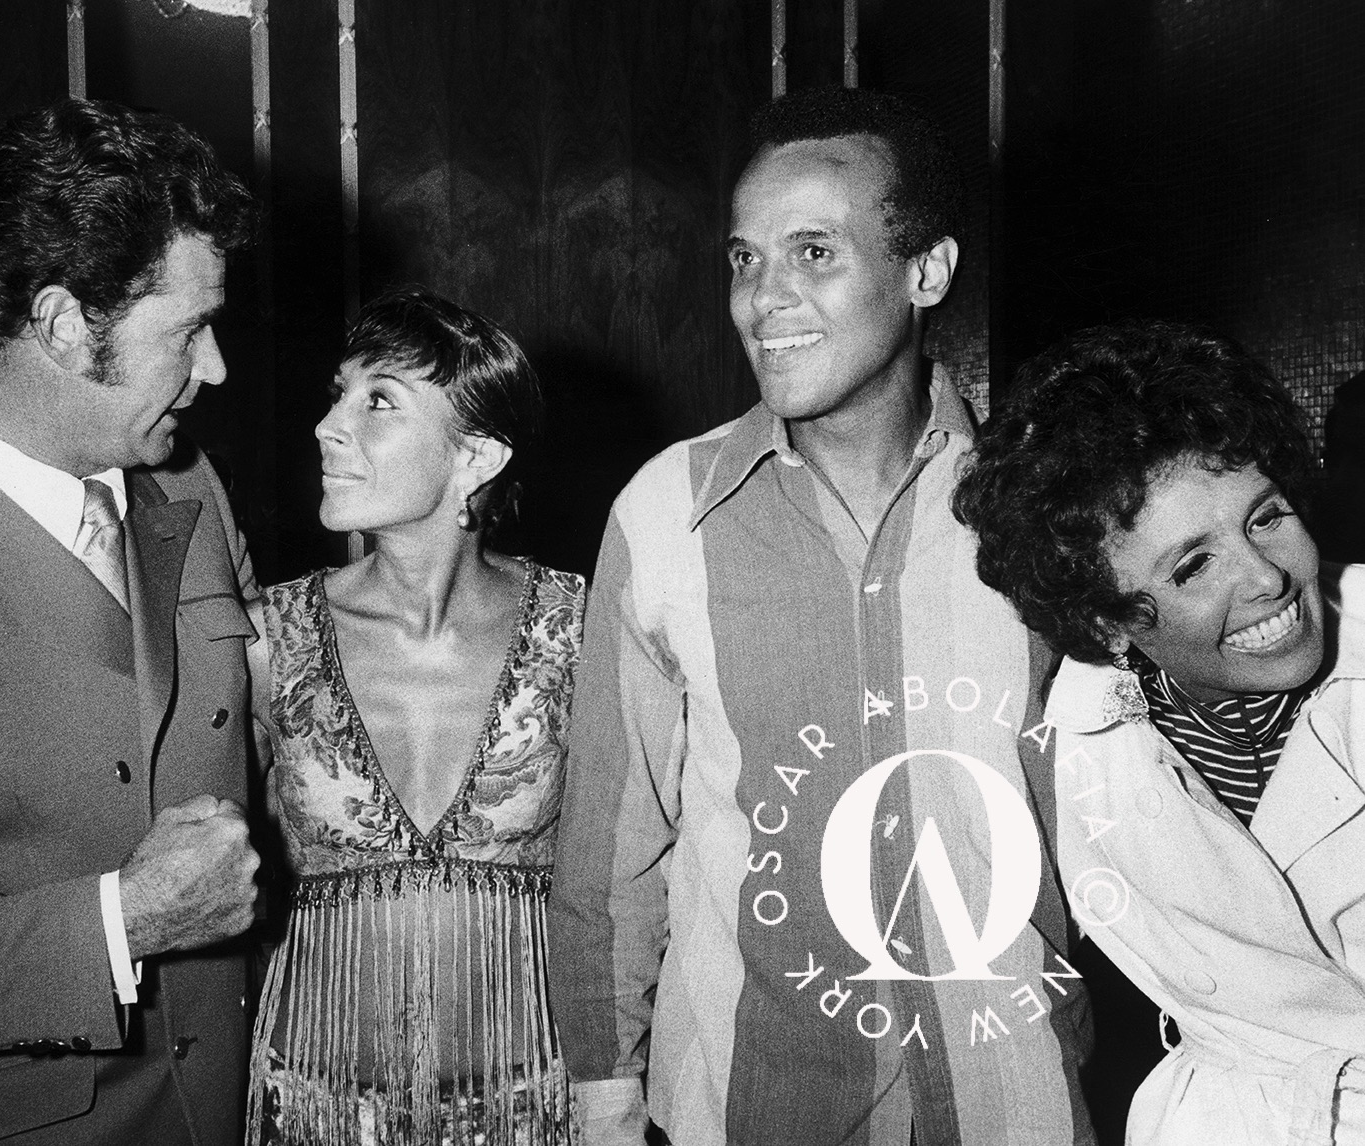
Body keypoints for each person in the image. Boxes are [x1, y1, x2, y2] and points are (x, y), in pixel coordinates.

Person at [549, 86, 1094, 1146]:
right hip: (751, 1106)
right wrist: (603, 1094)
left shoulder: (1044, 506)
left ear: (925, 271)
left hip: (1009, 1102)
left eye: (813, 253)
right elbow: (610, 849)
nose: (763, 299)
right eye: (744, 259)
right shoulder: (663, 513)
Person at [0, 99, 262, 1144]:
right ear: (59, 325)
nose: (216, 368)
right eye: (187, 331)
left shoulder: (185, 483)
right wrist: (120, 922)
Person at [953, 320, 1365, 1144]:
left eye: (1266, 517)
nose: (1267, 576)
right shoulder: (1078, 739)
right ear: (1107, 624)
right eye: (1193, 565)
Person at [245, 288, 586, 1145]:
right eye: (339, 395)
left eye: (379, 402)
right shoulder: (264, 640)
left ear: (476, 456)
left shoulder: (580, 629)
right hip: (317, 1109)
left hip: (531, 1110)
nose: (328, 426)